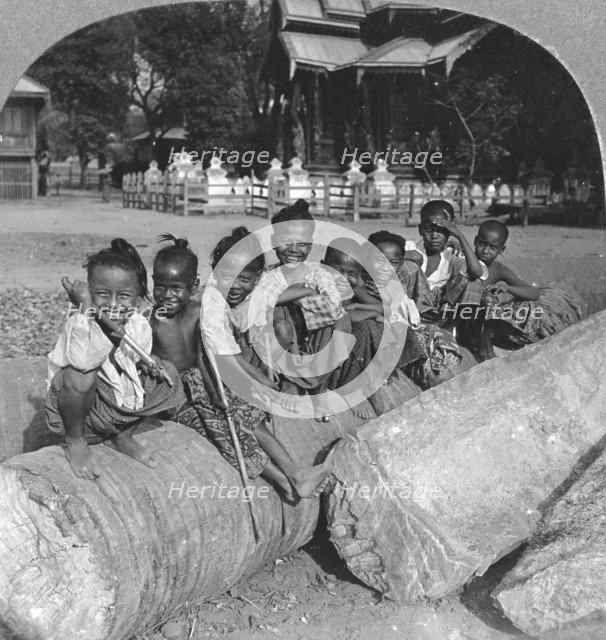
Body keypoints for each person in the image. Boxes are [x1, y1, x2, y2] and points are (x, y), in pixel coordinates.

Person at [152, 231, 332, 501]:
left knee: (249, 415)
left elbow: (205, 356)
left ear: (192, 286)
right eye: (161, 287)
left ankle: (296, 473)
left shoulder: (198, 311)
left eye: (176, 288)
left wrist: (216, 392)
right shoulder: (150, 321)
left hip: (205, 383)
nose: (168, 296)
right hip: (178, 397)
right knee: (225, 432)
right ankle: (283, 480)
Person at [46, 238, 185, 480]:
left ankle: (121, 436)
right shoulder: (80, 321)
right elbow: (82, 362)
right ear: (88, 293)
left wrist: (148, 361)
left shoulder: (138, 325)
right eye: (102, 294)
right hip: (76, 411)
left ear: (138, 297)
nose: (113, 304)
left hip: (112, 407)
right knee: (82, 374)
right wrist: (87, 309)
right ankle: (76, 442)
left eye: (123, 296)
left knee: (167, 374)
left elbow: (134, 358)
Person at [252, 199, 353, 421]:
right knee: (277, 317)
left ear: (311, 246)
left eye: (303, 244)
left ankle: (314, 387)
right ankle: (289, 381)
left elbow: (333, 307)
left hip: (312, 348)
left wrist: (297, 297)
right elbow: (261, 300)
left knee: (341, 322)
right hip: (281, 348)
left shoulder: (318, 275)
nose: (294, 250)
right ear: (273, 241)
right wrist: (302, 292)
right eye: (286, 242)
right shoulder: (266, 276)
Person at [472, 220, 586, 359]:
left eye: (493, 247)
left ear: (501, 250)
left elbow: (534, 293)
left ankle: (515, 340)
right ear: (475, 241)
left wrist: (507, 288)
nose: (485, 251)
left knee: (528, 305)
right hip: (464, 315)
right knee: (485, 297)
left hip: (485, 320)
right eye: (482, 244)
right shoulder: (464, 259)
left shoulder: (498, 269)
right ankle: (484, 349)